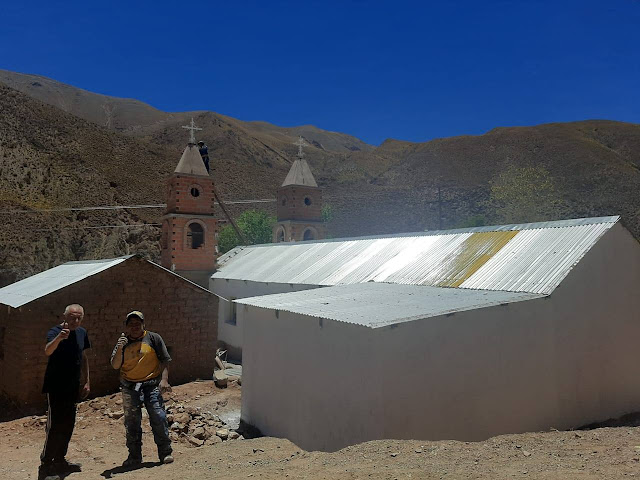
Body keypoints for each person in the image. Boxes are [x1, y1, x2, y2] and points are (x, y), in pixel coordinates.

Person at [110, 311, 173, 466]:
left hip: (151, 384)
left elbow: (165, 360)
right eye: (131, 324)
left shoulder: (153, 338)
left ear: (143, 324)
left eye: (138, 324)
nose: (135, 327)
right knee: (132, 422)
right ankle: (134, 456)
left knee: (158, 416)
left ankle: (165, 452)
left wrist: (164, 380)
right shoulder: (122, 343)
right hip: (130, 386)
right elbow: (115, 365)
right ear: (126, 327)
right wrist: (119, 347)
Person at [39, 304, 91, 480]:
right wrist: (59, 338)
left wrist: (87, 381)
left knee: (68, 425)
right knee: (54, 426)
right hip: (56, 387)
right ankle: (46, 464)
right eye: (72, 317)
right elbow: (48, 350)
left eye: (79, 318)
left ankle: (60, 460)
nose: (75, 321)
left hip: (73, 387)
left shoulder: (82, 333)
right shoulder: (55, 332)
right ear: (65, 316)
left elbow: (83, 358)